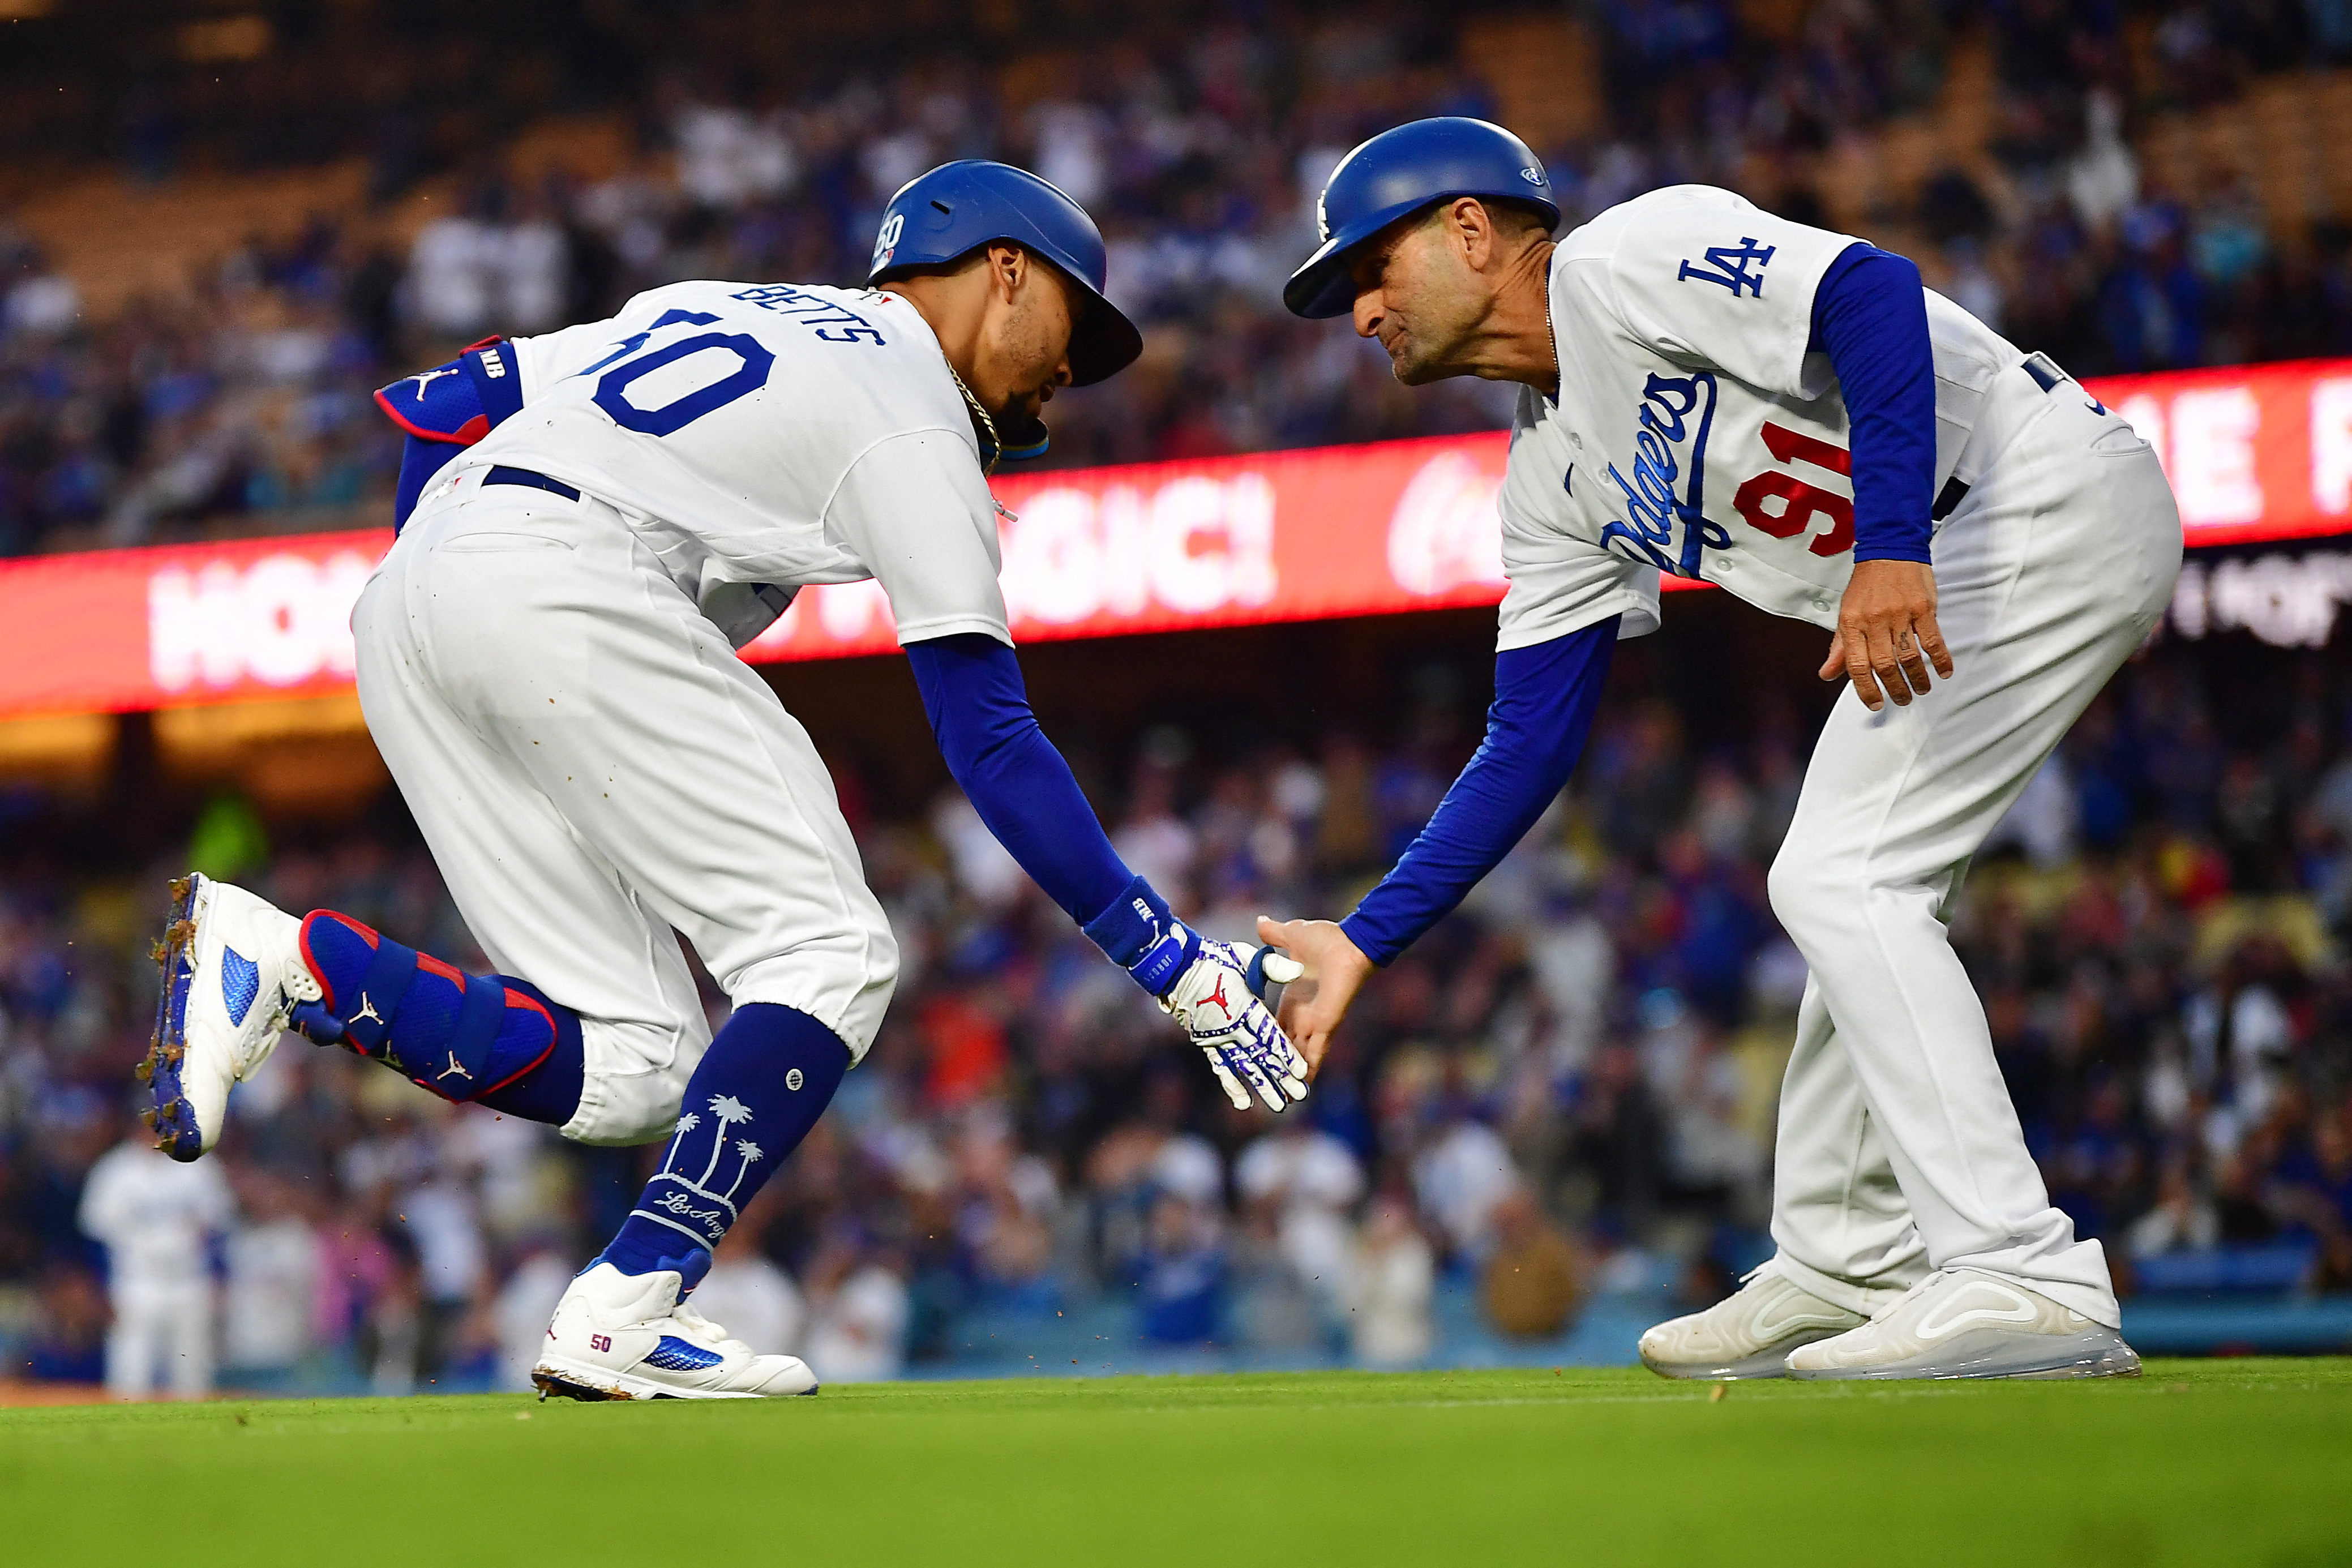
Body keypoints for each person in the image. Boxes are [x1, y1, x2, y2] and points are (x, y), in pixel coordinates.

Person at [139, 160, 1309, 1402]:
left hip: (417, 597)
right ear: (1004, 272)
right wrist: (1174, 966)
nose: (1073, 369)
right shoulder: (914, 415)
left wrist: (445, 571)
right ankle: (624, 1307)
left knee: (641, 1069)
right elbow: (993, 744)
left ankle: (293, 960)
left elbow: (453, 393)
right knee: (828, 950)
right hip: (562, 585)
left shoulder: (726, 301)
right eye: (1079, 322)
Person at [1263, 118, 2177, 1381]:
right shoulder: (1545, 479)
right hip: (1953, 556)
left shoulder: (1625, 257)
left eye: (1369, 267)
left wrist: (1891, 545)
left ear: (1471, 231)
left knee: (1840, 877)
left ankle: (2021, 1271)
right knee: (1849, 889)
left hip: (2027, 495)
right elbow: (1529, 739)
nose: (1358, 312)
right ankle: (1843, 1257)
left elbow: (1870, 293)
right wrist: (1363, 938)